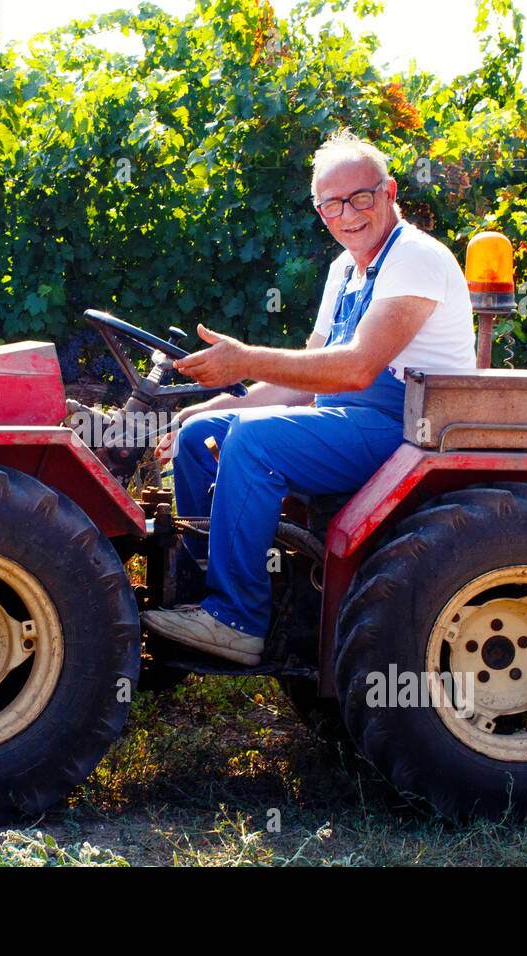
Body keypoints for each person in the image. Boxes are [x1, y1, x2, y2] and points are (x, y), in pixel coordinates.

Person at [141, 130, 475, 665]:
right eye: (331, 205)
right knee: (201, 438)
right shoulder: (343, 270)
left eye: (359, 198)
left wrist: (245, 358)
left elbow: (357, 368)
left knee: (252, 444)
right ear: (320, 210)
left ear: (389, 193)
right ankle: (204, 591)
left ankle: (237, 618)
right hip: (347, 414)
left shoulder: (415, 258)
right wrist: (209, 408)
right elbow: (305, 379)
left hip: (410, 430)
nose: (347, 215)